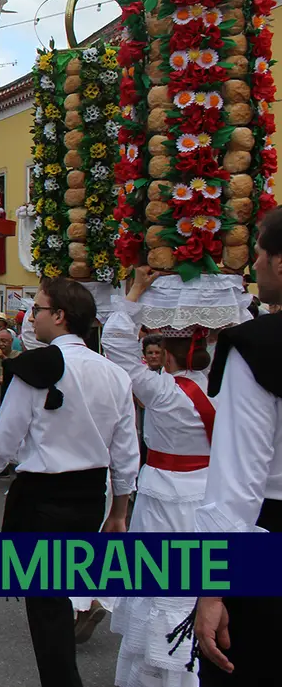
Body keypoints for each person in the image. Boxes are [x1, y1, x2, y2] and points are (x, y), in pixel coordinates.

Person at [0, 277, 139, 686]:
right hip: (89, 496)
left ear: (60, 316)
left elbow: (8, 431)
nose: (32, 317)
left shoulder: (37, 366)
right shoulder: (114, 374)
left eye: (38, 309)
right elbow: (125, 449)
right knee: (59, 595)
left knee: (46, 605)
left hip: (42, 497)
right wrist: (119, 508)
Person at [100, 267, 217, 687]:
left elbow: (114, 342)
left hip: (162, 493)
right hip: (208, 493)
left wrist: (134, 292)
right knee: (198, 584)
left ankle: (154, 673)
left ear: (166, 351)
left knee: (158, 582)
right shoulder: (222, 391)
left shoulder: (162, 391)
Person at [191, 211, 282, 685]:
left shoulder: (258, 347)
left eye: (261, 255)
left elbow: (238, 480)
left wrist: (211, 590)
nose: (255, 268)